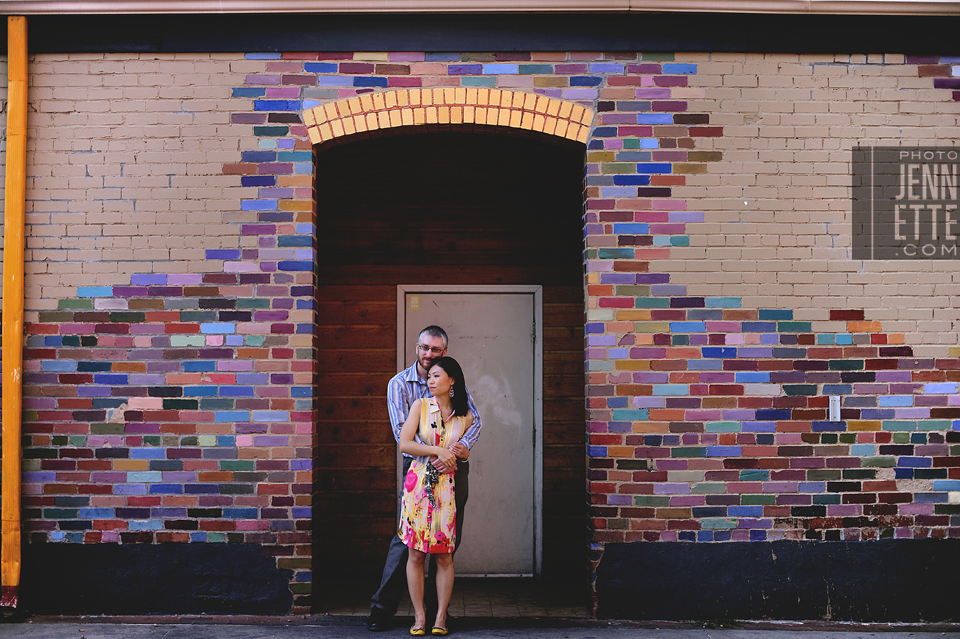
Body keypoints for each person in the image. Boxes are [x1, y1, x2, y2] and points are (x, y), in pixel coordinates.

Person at [368, 326, 482, 631]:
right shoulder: (400, 384)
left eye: (435, 350)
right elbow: (400, 432)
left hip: (453, 470)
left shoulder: (454, 382)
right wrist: (435, 453)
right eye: (424, 348)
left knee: (446, 541)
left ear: (444, 353)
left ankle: (436, 613)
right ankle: (383, 608)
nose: (428, 355)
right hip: (417, 469)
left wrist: (459, 451)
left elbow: (474, 421)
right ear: (417, 348)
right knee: (407, 543)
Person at [398, 357, 472, 636]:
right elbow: (405, 443)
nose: (430, 380)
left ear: (452, 380)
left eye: (436, 375)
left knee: (444, 556)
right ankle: (419, 617)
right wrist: (437, 451)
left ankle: (441, 617)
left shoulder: (466, 415)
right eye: (429, 376)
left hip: (445, 490)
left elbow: (464, 448)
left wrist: (461, 452)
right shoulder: (420, 406)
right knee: (415, 554)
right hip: (418, 487)